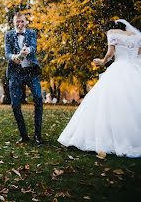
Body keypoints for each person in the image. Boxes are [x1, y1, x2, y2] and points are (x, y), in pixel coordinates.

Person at [58, 19, 141, 157]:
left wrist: (102, 62)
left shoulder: (112, 32)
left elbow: (110, 53)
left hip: (119, 68)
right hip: (134, 70)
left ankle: (109, 139)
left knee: (108, 103)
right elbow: (139, 53)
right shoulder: (135, 35)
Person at [5, 12, 44, 144]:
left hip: (31, 72)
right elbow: (7, 52)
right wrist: (13, 57)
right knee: (15, 105)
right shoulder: (9, 35)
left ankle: (38, 135)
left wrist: (29, 50)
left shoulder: (32, 33)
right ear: (14, 22)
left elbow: (34, 46)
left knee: (38, 98)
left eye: (22, 21)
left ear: (25, 22)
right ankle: (24, 135)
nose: (20, 24)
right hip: (15, 73)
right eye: (17, 22)